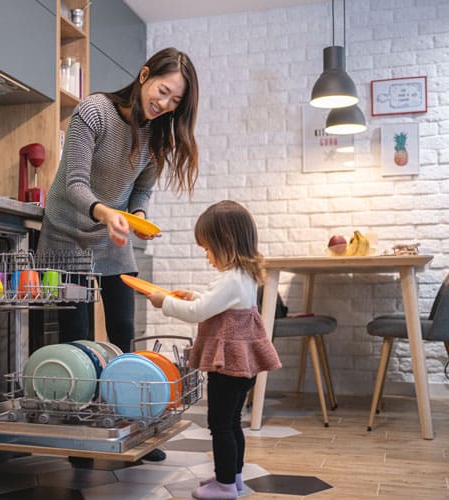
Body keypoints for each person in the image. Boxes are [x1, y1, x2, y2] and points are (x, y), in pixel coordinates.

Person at [36, 47, 200, 462]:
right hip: (67, 233)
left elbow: (141, 190)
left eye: (175, 101)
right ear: (144, 75)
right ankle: (82, 433)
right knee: (78, 338)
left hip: (114, 234)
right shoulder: (93, 112)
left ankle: (131, 423)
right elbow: (73, 183)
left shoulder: (158, 134)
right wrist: (109, 213)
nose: (164, 104)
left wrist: (137, 217)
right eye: (162, 91)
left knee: (123, 330)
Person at [147, 200, 282, 499]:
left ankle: (224, 487)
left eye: (208, 248)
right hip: (241, 367)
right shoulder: (243, 276)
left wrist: (164, 302)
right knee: (232, 423)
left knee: (219, 425)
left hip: (229, 367)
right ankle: (231, 478)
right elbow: (217, 305)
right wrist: (193, 294)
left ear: (226, 243)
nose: (207, 256)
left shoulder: (232, 279)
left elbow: (199, 311)